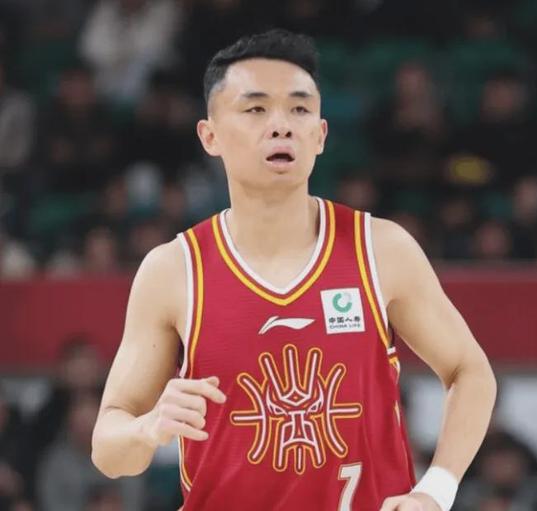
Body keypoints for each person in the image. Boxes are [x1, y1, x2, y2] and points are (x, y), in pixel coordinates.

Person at [91, 29, 497, 511]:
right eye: (256, 109)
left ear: (320, 135)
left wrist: (436, 491)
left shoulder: (380, 249)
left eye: (299, 109)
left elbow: (470, 372)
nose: (281, 126)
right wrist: (147, 427)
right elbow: (108, 448)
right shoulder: (173, 270)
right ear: (210, 136)